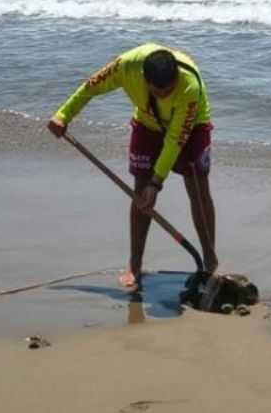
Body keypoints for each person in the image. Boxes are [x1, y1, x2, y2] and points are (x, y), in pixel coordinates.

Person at [47, 44, 217, 291]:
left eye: (169, 91)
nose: (164, 96)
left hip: (191, 125)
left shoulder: (189, 86)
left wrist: (157, 183)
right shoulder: (125, 66)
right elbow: (91, 87)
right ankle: (134, 266)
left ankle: (210, 262)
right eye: (158, 92)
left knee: (198, 190)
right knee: (140, 194)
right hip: (148, 121)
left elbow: (175, 140)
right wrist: (63, 115)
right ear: (144, 80)